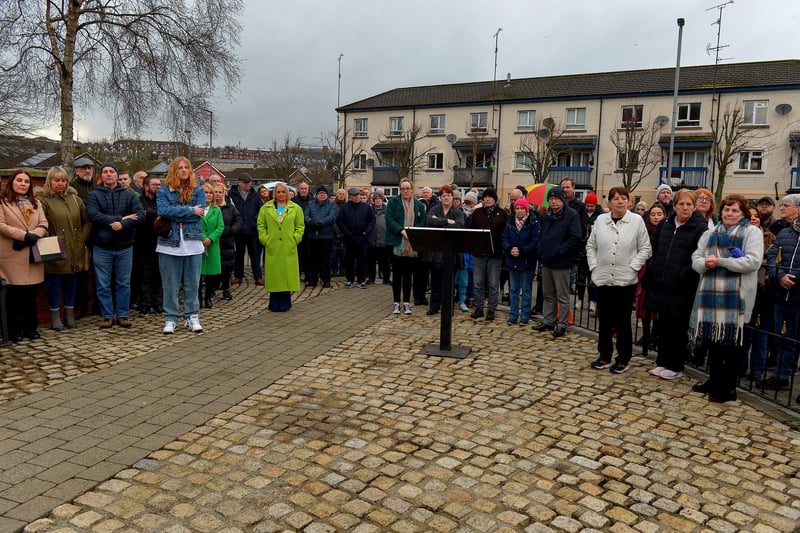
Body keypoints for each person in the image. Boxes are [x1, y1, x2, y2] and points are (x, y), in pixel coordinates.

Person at [690, 194, 762, 403]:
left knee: (732, 346)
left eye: (735, 210)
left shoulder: (752, 232)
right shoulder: (711, 232)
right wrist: (706, 264)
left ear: (743, 213)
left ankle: (728, 388)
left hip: (736, 298)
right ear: (721, 211)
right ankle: (713, 380)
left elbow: (752, 262)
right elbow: (696, 259)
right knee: (714, 343)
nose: (730, 214)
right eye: (727, 210)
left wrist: (721, 262)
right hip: (711, 295)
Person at [643, 189, 707, 380]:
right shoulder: (666, 223)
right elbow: (653, 247)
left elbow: (698, 254)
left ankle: (675, 364)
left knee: (677, 327)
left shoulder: (699, 228)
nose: (685, 208)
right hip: (661, 281)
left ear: (694, 206)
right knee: (662, 323)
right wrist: (653, 266)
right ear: (675, 205)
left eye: (689, 204)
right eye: (681, 204)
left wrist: (682, 273)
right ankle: (662, 361)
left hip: (682, 285)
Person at [587, 187, 652, 374]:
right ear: (609, 203)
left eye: (624, 198)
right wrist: (594, 266)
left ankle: (624, 358)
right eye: (616, 198)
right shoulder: (601, 220)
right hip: (604, 277)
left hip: (625, 280)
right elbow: (591, 246)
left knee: (623, 320)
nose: (620, 201)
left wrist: (633, 267)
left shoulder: (636, 221)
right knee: (605, 319)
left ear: (629, 202)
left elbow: (645, 249)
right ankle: (604, 355)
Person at [85, 162, 143, 329]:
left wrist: (123, 225)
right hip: (102, 246)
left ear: (117, 176)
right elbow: (94, 215)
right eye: (105, 172)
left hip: (124, 247)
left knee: (123, 283)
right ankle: (107, 315)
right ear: (101, 176)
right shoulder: (94, 195)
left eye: (112, 172)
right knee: (103, 284)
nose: (109, 174)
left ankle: (122, 315)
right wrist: (122, 219)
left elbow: (140, 216)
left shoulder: (129, 196)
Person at [36, 166, 91, 330]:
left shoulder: (75, 198)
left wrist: (81, 239)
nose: (61, 184)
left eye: (64, 180)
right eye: (57, 180)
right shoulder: (42, 200)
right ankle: (54, 315)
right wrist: (48, 240)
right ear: (49, 181)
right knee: (55, 282)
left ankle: (69, 313)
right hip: (55, 248)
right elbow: (40, 223)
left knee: (71, 281)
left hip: (75, 246)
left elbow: (87, 221)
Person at [156, 156, 206, 334]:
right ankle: (171, 318)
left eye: (186, 167)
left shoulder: (198, 190)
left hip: (192, 242)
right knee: (170, 284)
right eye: (180, 168)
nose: (184, 170)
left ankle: (192, 316)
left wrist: (178, 212)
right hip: (169, 243)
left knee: (192, 282)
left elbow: (199, 214)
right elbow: (163, 210)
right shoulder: (163, 191)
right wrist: (190, 209)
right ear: (174, 171)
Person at [0, 169, 49, 341]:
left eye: (26, 181)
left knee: (30, 294)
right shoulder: (3, 202)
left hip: (32, 254)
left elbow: (44, 223)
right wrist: (23, 236)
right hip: (12, 254)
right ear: (12, 182)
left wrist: (33, 235)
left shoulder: (36, 203)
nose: (22, 184)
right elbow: (1, 225)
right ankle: (14, 330)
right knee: (14, 295)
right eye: (19, 180)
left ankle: (31, 328)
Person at [534, 186, 583, 338]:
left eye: (556, 199)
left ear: (562, 200)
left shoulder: (571, 215)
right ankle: (548, 320)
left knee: (562, 296)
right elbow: (543, 236)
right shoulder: (547, 216)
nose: (553, 202)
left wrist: (560, 251)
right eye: (551, 199)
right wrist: (542, 252)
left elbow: (575, 237)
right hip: (547, 261)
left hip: (562, 262)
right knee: (548, 294)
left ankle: (562, 323)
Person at [764, 194, 800, 390]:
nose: (782, 208)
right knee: (781, 337)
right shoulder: (784, 233)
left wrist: (796, 279)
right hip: (781, 295)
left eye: (786, 205)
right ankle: (780, 375)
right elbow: (771, 258)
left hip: (798, 295)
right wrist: (779, 276)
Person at [257, 182, 305, 312]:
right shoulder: (266, 208)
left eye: (283, 192)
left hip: (288, 246)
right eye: (278, 192)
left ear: (287, 193)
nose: (281, 194)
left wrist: (294, 239)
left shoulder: (296, 208)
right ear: (274, 194)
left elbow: (300, 227)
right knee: (275, 275)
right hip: (273, 246)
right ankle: (274, 302)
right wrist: (266, 239)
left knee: (286, 275)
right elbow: (261, 225)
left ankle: (285, 303)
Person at [742, 206, 775, 383]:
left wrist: (754, 261)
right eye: (750, 216)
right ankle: (741, 367)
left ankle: (757, 370)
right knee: (744, 332)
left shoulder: (769, 237)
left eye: (756, 216)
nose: (753, 218)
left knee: (760, 333)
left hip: (762, 290)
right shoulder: (739, 235)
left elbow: (773, 259)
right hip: (744, 288)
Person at [386, 178, 426, 315]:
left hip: (412, 244)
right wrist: (401, 231)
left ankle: (407, 302)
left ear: (412, 189)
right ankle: (397, 302)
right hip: (397, 243)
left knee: (409, 276)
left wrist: (412, 232)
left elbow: (423, 221)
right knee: (397, 275)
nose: (405, 191)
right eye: (403, 188)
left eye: (407, 188)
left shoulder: (419, 205)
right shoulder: (393, 202)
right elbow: (389, 220)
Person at [424, 184, 465, 315]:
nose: (446, 198)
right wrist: (448, 221)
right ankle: (434, 306)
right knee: (435, 281)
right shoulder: (435, 209)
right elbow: (430, 221)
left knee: (449, 283)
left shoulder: (457, 212)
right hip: (436, 252)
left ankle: (448, 307)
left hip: (451, 252)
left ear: (452, 197)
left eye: (448, 195)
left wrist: (441, 221)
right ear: (440, 197)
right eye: (443, 196)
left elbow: (459, 226)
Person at [469, 188, 508, 321]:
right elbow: (471, 230)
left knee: (493, 284)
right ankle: (479, 307)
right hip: (479, 253)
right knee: (478, 282)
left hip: (495, 254)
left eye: (490, 197)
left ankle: (492, 309)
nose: (487, 199)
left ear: (495, 199)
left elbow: (505, 234)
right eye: (485, 197)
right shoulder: (477, 213)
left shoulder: (502, 213)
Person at [501, 198, 541, 326]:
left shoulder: (533, 223)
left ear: (526, 209)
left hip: (526, 260)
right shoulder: (510, 222)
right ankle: (513, 315)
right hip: (512, 259)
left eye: (522, 208)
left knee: (526, 290)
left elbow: (535, 241)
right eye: (517, 208)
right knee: (513, 289)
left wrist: (522, 251)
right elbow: (504, 238)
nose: (519, 211)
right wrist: (509, 248)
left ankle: (525, 316)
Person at [635, 204, 666, 354]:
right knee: (643, 305)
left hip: (660, 272)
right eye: (653, 214)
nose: (655, 217)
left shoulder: (666, 231)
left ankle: (655, 336)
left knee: (657, 309)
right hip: (644, 270)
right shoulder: (643, 230)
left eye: (659, 214)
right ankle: (645, 336)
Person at [132, 174, 162, 315]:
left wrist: (150, 213)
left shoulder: (161, 200)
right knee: (144, 274)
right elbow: (140, 215)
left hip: (160, 241)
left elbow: (163, 212)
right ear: (146, 187)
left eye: (159, 185)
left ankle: (158, 302)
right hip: (143, 242)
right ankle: (145, 302)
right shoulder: (138, 200)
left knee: (158, 274)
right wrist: (151, 213)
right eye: (155, 185)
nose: (158, 187)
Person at [206, 182, 241, 302]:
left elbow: (238, 220)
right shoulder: (210, 208)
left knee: (226, 268)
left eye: (220, 192)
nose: (218, 194)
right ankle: (211, 290)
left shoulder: (230, 207)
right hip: (213, 242)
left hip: (227, 242)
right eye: (215, 192)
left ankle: (226, 288)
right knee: (213, 267)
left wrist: (232, 230)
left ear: (224, 193)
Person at [337, 187, 375, 289]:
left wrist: (366, 232)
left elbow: (372, 219)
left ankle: (361, 280)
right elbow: (340, 221)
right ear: (350, 197)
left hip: (362, 238)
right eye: (355, 196)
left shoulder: (366, 207)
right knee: (349, 260)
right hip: (349, 238)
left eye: (358, 195)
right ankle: (349, 279)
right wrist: (347, 233)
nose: (357, 197)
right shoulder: (345, 207)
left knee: (362, 260)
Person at [229, 173, 264, 285]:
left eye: (249, 183)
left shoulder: (255, 194)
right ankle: (238, 275)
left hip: (252, 230)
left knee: (254, 254)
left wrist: (255, 220)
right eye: (245, 183)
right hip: (238, 230)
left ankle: (258, 276)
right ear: (239, 182)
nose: (248, 185)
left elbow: (261, 210)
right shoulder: (232, 194)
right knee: (239, 254)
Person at [304, 185, 337, 288]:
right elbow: (305, 216)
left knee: (326, 260)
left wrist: (320, 223)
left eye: (324, 193)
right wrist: (311, 222)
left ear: (326, 195)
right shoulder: (310, 204)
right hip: (312, 236)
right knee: (312, 259)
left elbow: (332, 217)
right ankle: (312, 280)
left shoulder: (332, 205)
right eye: (320, 193)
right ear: (316, 195)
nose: (322, 195)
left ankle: (326, 280)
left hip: (326, 236)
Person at [200, 183, 224, 309]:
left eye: (210, 193)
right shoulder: (197, 208)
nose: (208, 195)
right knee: (198, 273)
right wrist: (203, 236)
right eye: (205, 192)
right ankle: (197, 298)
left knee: (211, 275)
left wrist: (211, 238)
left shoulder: (217, 210)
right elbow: (194, 224)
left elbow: (220, 227)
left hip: (212, 245)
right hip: (198, 244)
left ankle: (208, 297)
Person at [368, 192, 390, 285]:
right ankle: (371, 278)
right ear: (373, 201)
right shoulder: (369, 210)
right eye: (376, 199)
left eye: (379, 199)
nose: (378, 200)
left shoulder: (388, 210)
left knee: (385, 262)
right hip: (372, 240)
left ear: (382, 200)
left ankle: (386, 279)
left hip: (384, 240)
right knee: (371, 262)